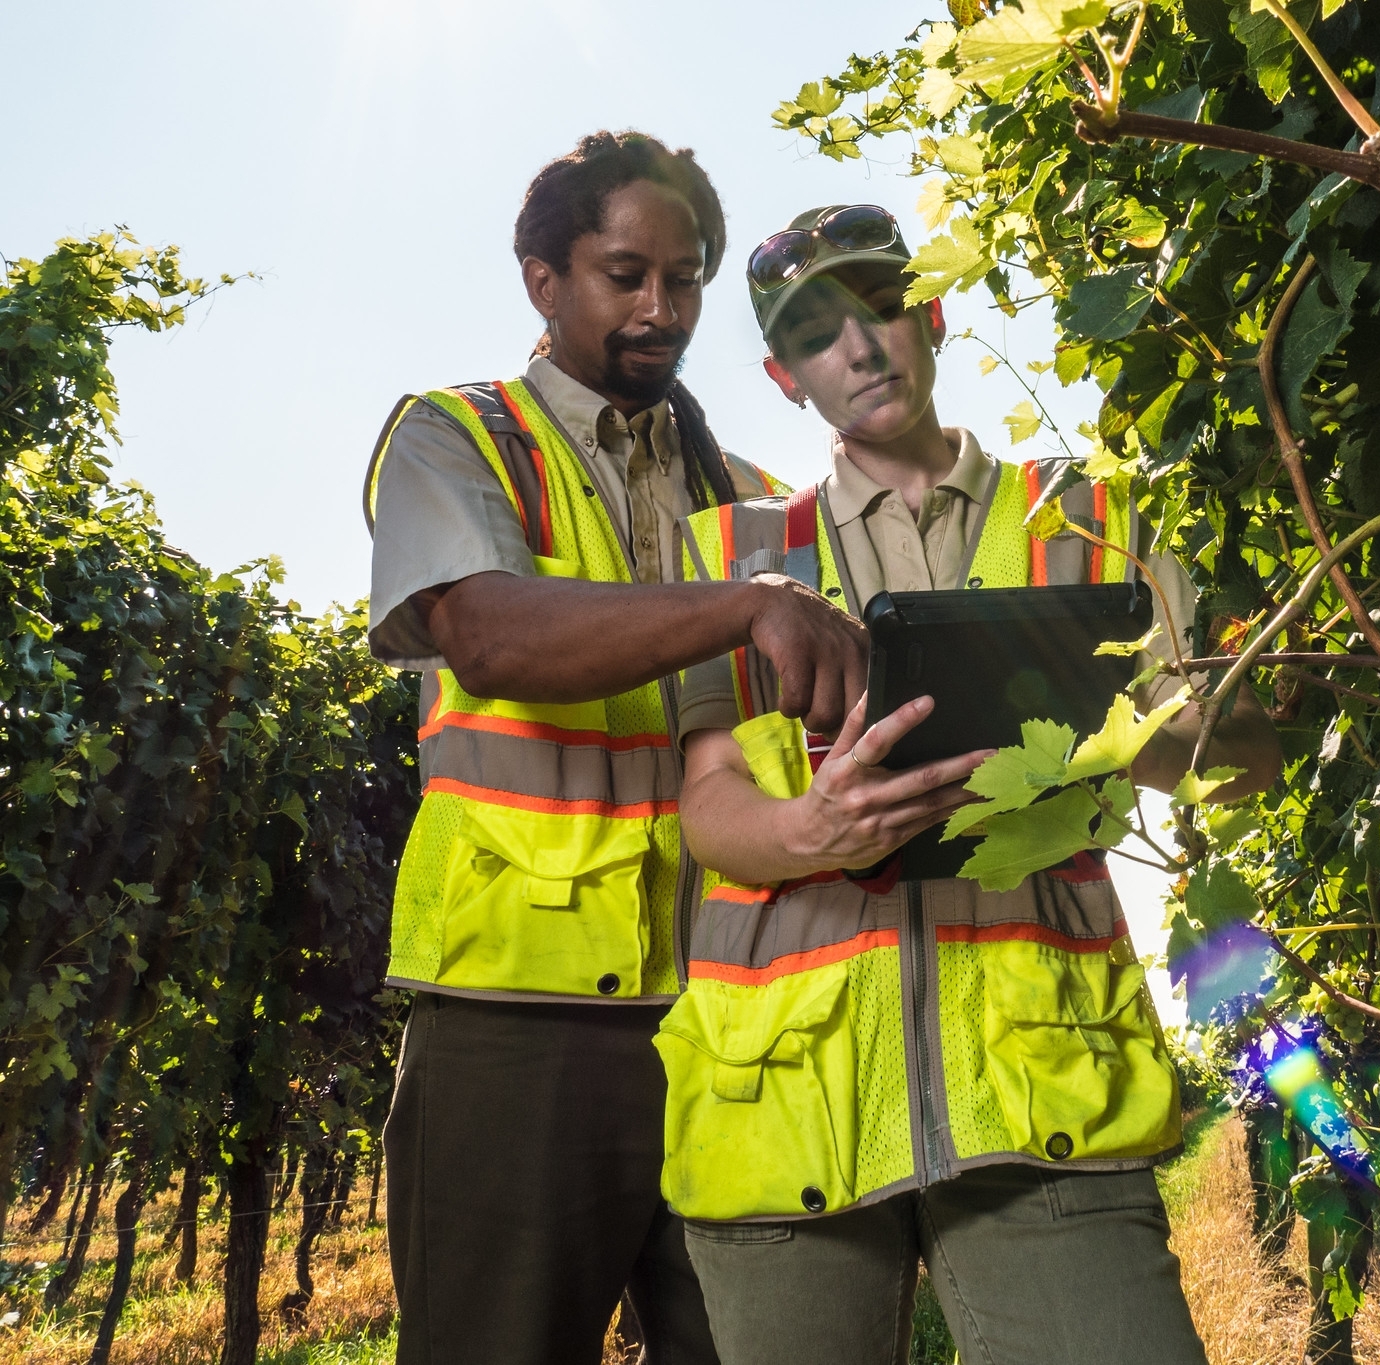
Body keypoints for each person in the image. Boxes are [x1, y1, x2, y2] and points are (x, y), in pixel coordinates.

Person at [650, 205, 1284, 1365]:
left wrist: (1126, 739)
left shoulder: (1097, 519)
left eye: (881, 305)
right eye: (813, 331)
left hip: (1043, 1087)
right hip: (785, 1099)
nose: (859, 346)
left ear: (932, 312)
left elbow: (1245, 759)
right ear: (783, 376)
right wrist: (810, 828)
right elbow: (710, 809)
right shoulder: (724, 555)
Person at [363, 134, 869, 1365]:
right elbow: (491, 638)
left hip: (736, 1018)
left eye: (684, 280)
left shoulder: (756, 498)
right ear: (543, 280)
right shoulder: (456, 438)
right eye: (624, 275)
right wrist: (746, 603)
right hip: (520, 1021)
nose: (661, 310)